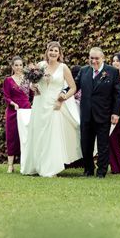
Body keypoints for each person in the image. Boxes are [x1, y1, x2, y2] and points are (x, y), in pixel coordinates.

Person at [20, 41, 82, 177]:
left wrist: (63, 98)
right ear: (47, 52)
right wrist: (32, 86)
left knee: (51, 136)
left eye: (56, 51)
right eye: (51, 50)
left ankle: (50, 168)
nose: (53, 53)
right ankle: (35, 166)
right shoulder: (41, 65)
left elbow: (73, 87)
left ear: (59, 54)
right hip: (39, 103)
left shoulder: (63, 67)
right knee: (38, 134)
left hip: (54, 105)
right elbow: (32, 82)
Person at [72, 47, 120, 178]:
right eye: (91, 58)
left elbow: (117, 94)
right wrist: (63, 93)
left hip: (103, 114)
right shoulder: (83, 71)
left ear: (103, 58)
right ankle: (88, 170)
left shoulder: (112, 72)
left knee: (103, 145)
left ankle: (101, 172)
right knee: (85, 144)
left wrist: (116, 113)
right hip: (86, 114)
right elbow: (74, 87)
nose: (93, 61)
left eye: (96, 58)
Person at [3, 56, 32, 173]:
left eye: (21, 65)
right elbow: (6, 96)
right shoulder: (8, 80)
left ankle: (26, 164)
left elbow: (33, 94)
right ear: (12, 67)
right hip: (13, 111)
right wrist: (13, 103)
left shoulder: (27, 79)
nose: (19, 67)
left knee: (27, 137)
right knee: (12, 137)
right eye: (16, 65)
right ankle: (10, 165)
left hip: (26, 110)